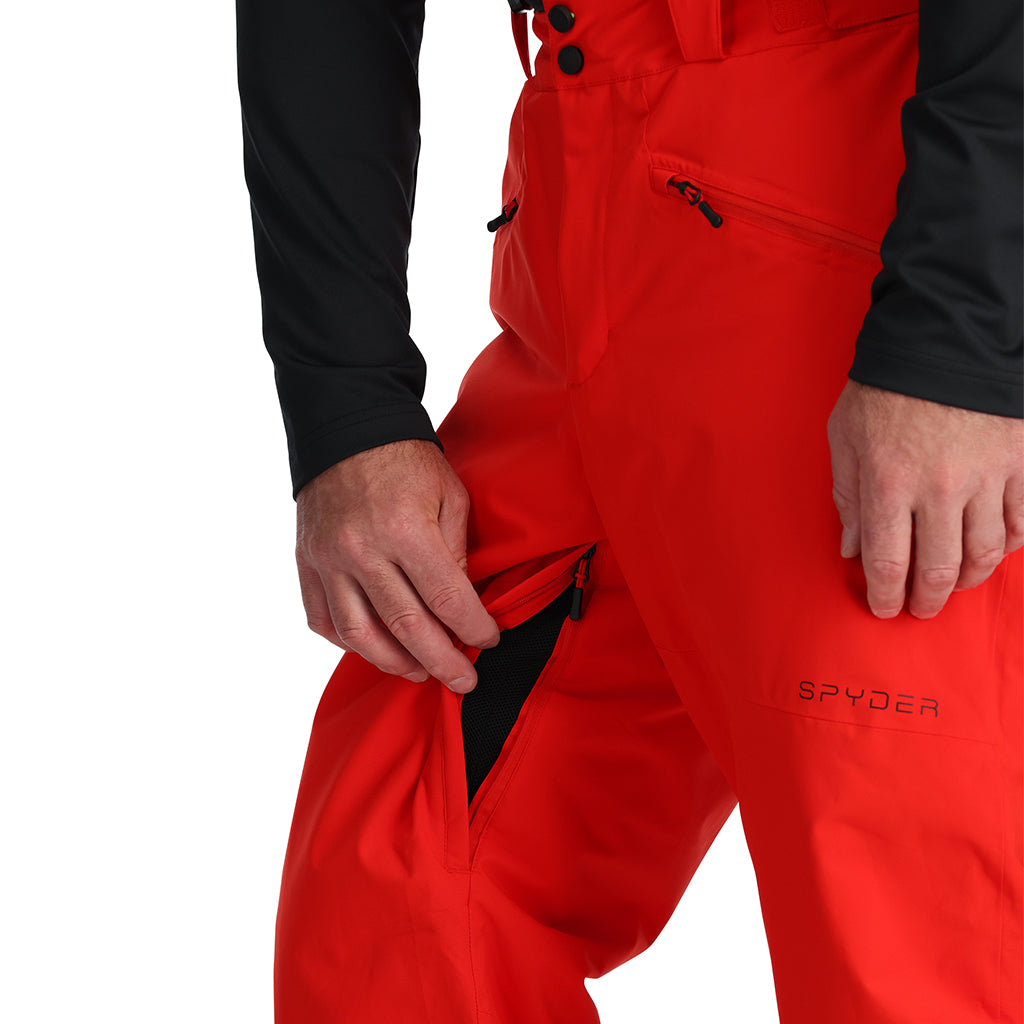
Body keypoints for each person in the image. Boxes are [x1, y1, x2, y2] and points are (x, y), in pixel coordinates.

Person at [236, 1, 1023, 1020]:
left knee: (914, 953)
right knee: (406, 904)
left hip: (862, 247)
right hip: (570, 216)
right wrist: (344, 404)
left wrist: (964, 334)